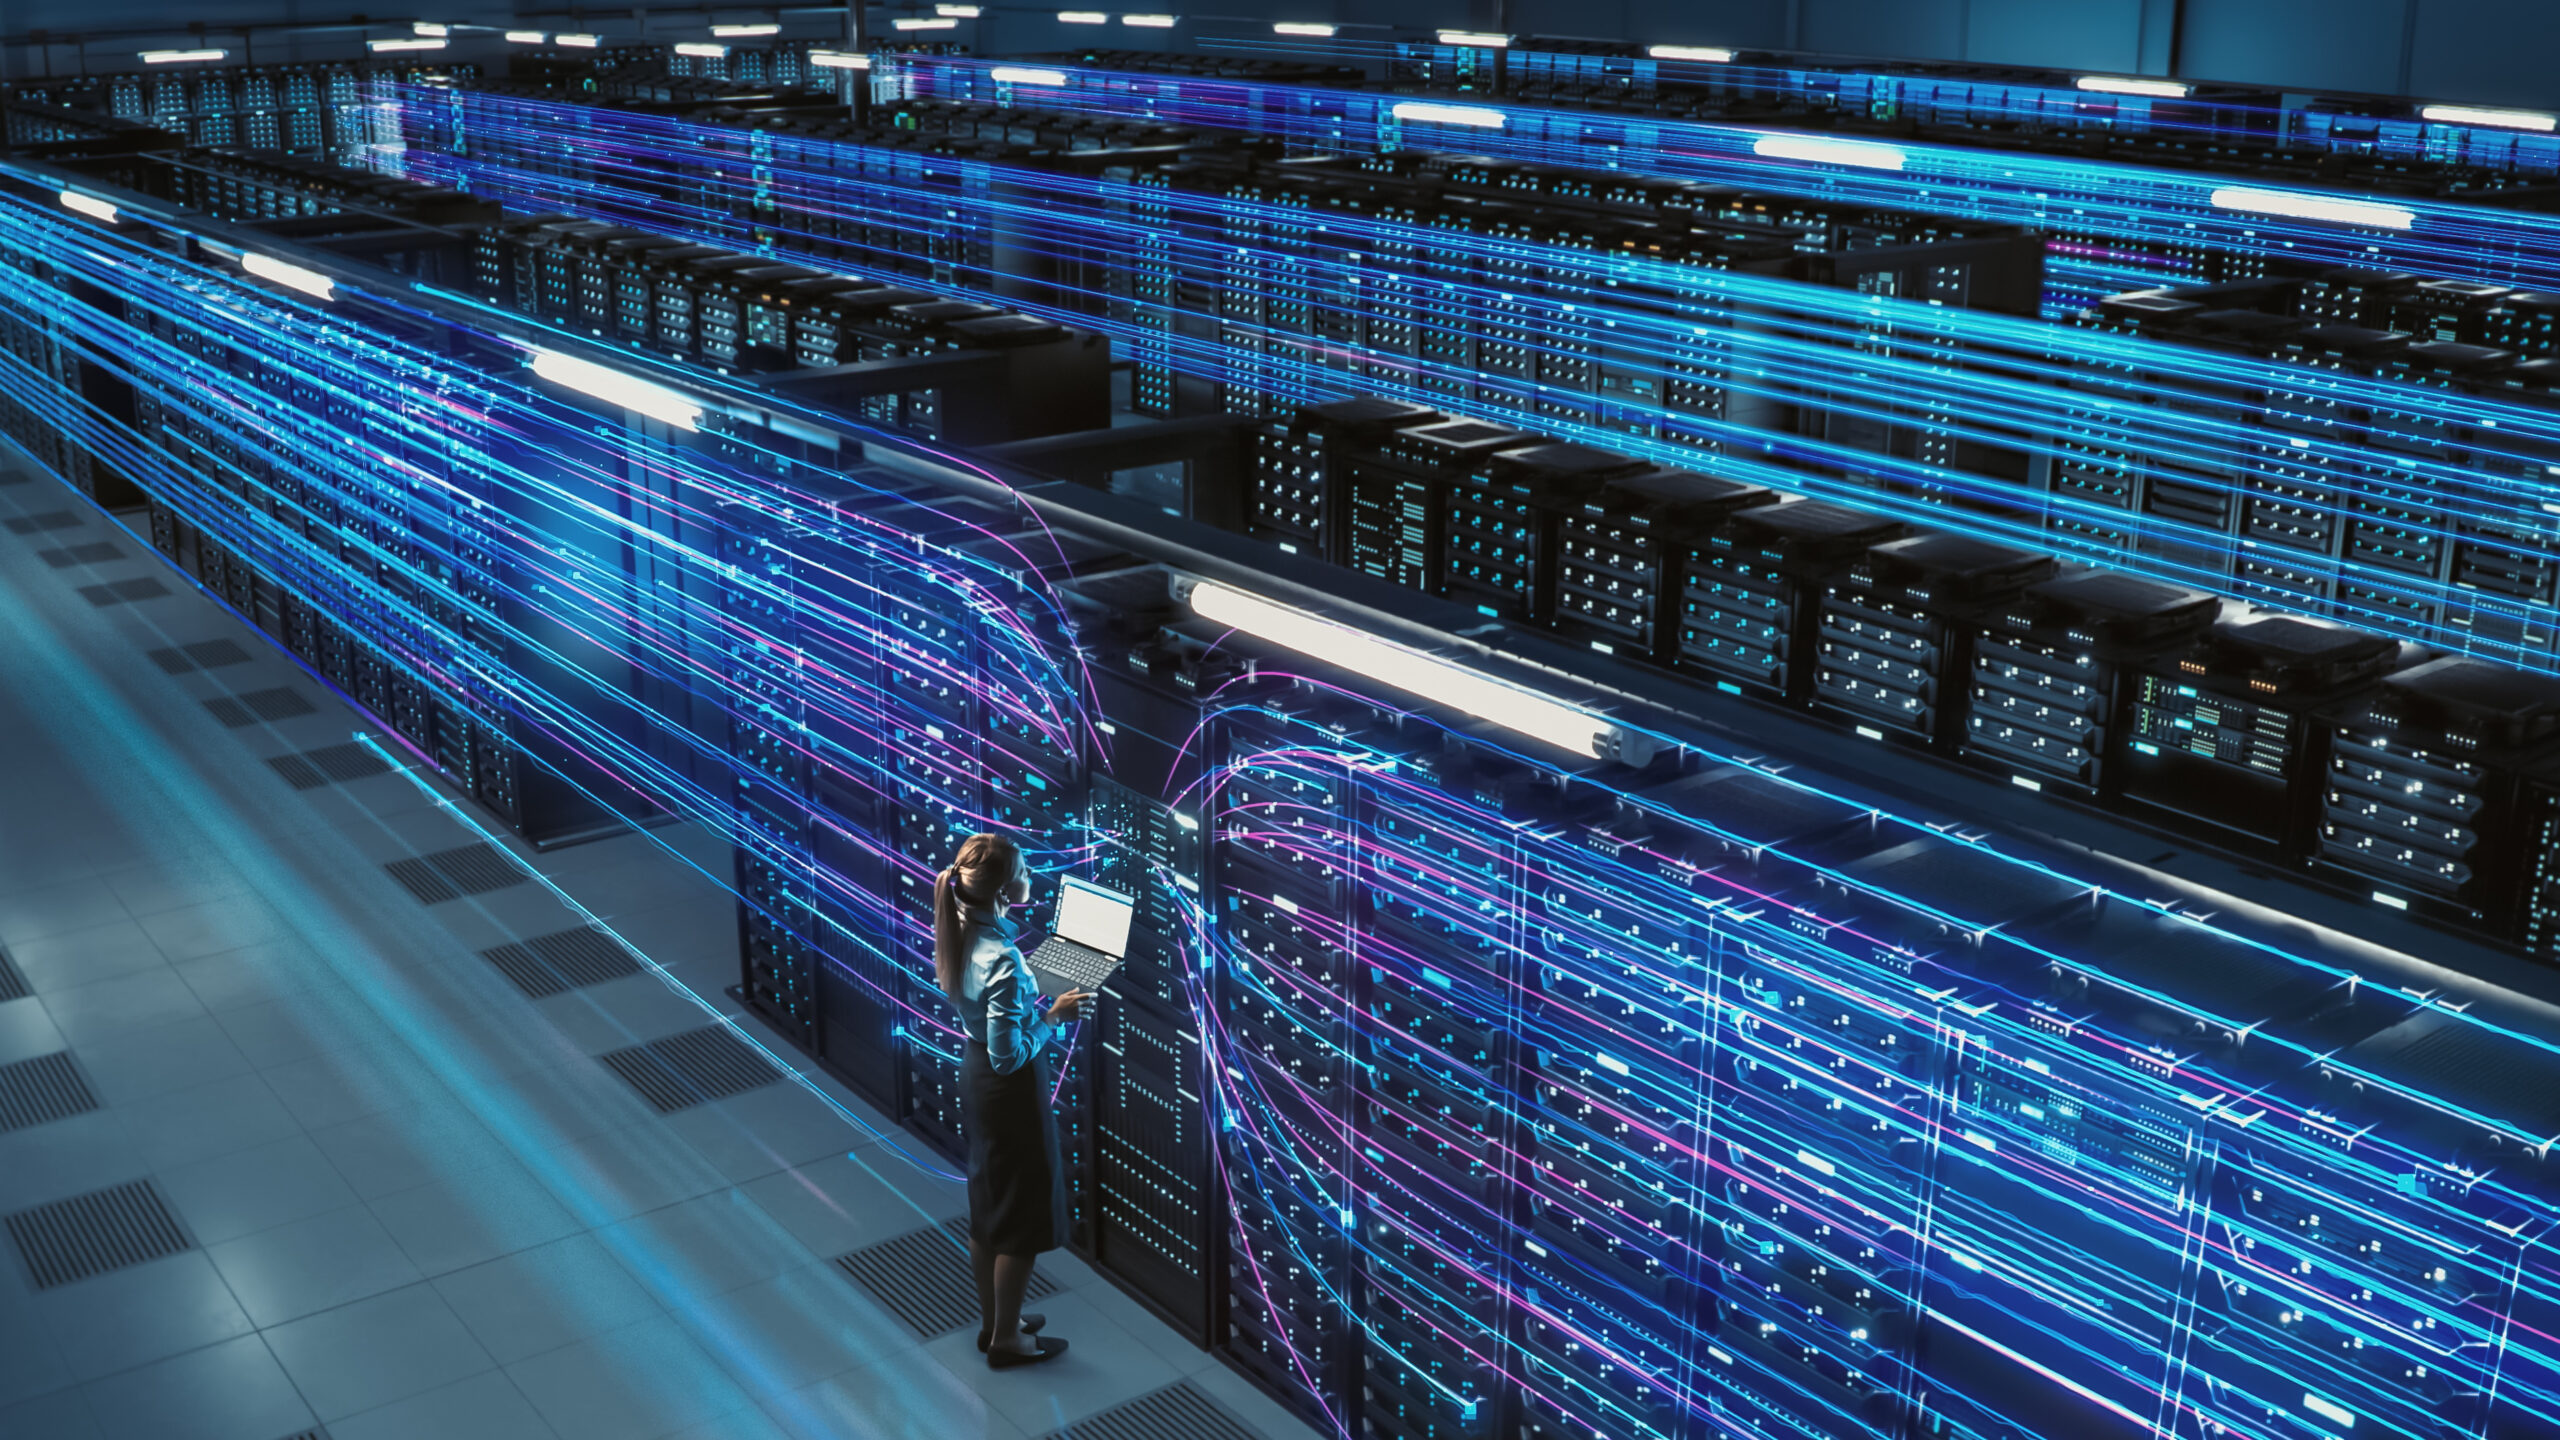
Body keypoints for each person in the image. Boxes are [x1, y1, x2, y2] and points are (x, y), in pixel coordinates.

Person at [934, 832, 1094, 1369]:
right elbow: (1010, 1055)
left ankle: (995, 1321)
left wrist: (1034, 997)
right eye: (1024, 867)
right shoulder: (1001, 959)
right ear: (1006, 887)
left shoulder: (962, 924)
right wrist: (1052, 1016)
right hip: (1008, 1088)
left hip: (977, 1074)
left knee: (990, 1206)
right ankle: (1008, 1340)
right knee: (1020, 1219)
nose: (1032, 873)